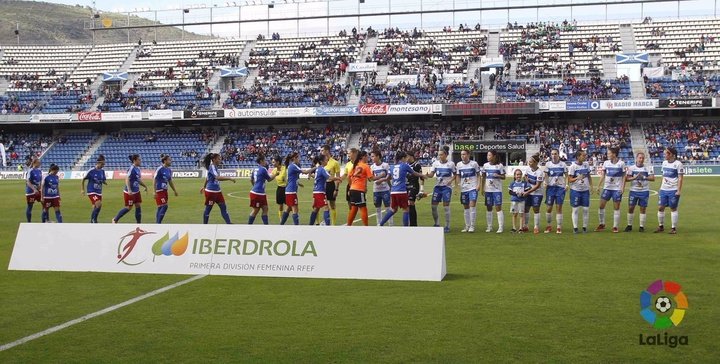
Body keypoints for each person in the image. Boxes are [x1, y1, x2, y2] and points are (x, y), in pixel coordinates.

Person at [379, 151, 425, 226]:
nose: (406, 159)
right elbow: (415, 173)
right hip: (402, 191)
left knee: (393, 209)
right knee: (406, 210)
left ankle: (381, 224)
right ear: (403, 158)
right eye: (405, 157)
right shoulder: (405, 166)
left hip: (393, 192)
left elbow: (387, 178)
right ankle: (405, 228)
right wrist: (423, 175)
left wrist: (381, 180)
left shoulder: (392, 166)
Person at [594, 146, 626, 233]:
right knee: (601, 206)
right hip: (607, 188)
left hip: (617, 189)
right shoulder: (606, 163)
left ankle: (615, 226)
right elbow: (603, 175)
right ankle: (602, 224)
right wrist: (598, 186)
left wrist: (622, 188)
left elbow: (624, 177)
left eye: (609, 153)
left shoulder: (621, 164)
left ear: (614, 154)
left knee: (616, 208)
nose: (607, 155)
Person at [281, 152, 317, 225]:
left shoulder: (290, 166)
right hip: (291, 191)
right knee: (295, 209)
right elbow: (306, 172)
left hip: (288, 191)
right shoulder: (293, 166)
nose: (299, 159)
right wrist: (316, 167)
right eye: (298, 158)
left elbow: (291, 179)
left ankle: (281, 225)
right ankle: (297, 226)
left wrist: (298, 184)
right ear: (294, 158)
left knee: (288, 208)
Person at [425, 146, 456, 233]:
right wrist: (427, 175)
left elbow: (455, 174)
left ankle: (447, 225)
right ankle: (437, 223)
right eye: (439, 155)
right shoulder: (435, 163)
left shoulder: (451, 164)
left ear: (446, 155)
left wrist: (451, 181)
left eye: (441, 155)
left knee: (446, 207)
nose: (440, 156)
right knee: (433, 206)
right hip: (437, 187)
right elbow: (431, 174)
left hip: (446, 188)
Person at [201, 153, 236, 224]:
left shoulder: (214, 167)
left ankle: (229, 223)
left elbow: (208, 178)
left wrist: (203, 186)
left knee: (223, 207)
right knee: (208, 209)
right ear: (214, 160)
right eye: (218, 159)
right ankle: (204, 225)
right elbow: (217, 178)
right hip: (211, 192)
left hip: (217, 192)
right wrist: (229, 178)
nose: (220, 160)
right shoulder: (212, 167)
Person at [656, 147, 684, 234]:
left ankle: (673, 228)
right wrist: (661, 186)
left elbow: (680, 178)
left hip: (673, 190)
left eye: (666, 153)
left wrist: (678, 190)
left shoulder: (678, 164)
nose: (664, 155)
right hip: (663, 189)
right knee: (660, 207)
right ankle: (661, 226)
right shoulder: (664, 163)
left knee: (673, 208)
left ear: (671, 154)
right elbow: (663, 176)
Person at [113, 154, 148, 224]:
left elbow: (138, 180)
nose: (140, 161)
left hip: (136, 191)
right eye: (139, 160)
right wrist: (129, 189)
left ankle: (138, 223)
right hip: (130, 192)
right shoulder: (131, 168)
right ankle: (115, 219)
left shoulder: (138, 169)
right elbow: (127, 179)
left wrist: (145, 186)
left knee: (138, 205)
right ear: (134, 161)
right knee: (129, 207)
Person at [625, 152, 655, 232]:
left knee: (643, 209)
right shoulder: (631, 168)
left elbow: (652, 178)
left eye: (642, 158)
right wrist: (634, 178)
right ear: (636, 158)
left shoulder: (648, 168)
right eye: (640, 158)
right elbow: (626, 179)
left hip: (644, 191)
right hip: (633, 191)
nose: (641, 160)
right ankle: (629, 225)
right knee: (631, 208)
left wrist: (644, 177)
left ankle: (641, 226)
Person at [310, 154, 341, 225]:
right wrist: (337, 178)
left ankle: (310, 225)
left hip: (316, 191)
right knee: (326, 208)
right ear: (322, 161)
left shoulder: (318, 169)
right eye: (326, 160)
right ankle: (328, 226)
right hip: (320, 191)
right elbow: (329, 177)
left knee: (316, 208)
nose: (327, 161)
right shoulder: (322, 169)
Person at [455, 149, 481, 232]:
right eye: (461, 154)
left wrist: (478, 185)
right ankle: (467, 225)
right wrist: (458, 185)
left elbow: (478, 175)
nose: (463, 156)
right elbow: (458, 176)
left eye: (464, 154)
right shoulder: (459, 165)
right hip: (464, 189)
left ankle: (472, 226)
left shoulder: (474, 164)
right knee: (466, 207)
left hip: (472, 188)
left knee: (472, 205)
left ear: (468, 155)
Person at [347, 150, 375, 226]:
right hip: (359, 190)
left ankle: (348, 225)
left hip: (353, 189)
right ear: (363, 157)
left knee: (354, 208)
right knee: (363, 208)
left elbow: (348, 177)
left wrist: (351, 186)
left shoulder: (355, 165)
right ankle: (366, 226)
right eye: (367, 156)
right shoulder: (365, 166)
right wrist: (382, 176)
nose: (368, 158)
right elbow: (371, 178)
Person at [568, 150, 593, 234]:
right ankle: (575, 227)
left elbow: (589, 176)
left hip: (585, 191)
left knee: (586, 209)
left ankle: (584, 227)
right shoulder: (572, 167)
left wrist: (591, 186)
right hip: (575, 191)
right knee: (575, 210)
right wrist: (577, 178)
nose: (585, 157)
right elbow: (569, 180)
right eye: (583, 155)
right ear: (578, 157)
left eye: (585, 155)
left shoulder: (586, 165)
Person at [249, 154, 278, 225]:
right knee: (256, 210)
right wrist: (275, 174)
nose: (266, 162)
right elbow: (269, 179)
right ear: (261, 161)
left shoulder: (255, 169)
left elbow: (251, 179)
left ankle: (266, 226)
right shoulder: (263, 169)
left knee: (265, 208)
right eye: (264, 160)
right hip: (258, 194)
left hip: (258, 192)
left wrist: (254, 185)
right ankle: (249, 226)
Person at [481, 150, 505, 233]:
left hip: (497, 190)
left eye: (489, 155)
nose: (488, 157)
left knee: (498, 207)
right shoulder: (485, 166)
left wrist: (498, 175)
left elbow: (504, 177)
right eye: (487, 155)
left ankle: (500, 227)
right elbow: (483, 177)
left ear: (494, 156)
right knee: (489, 208)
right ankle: (489, 226)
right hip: (488, 190)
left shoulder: (500, 166)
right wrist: (482, 188)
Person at [544, 149, 568, 234]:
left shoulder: (563, 164)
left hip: (560, 188)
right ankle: (549, 225)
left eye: (555, 154)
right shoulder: (548, 164)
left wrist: (567, 185)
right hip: (550, 188)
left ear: (558, 155)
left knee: (559, 208)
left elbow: (566, 175)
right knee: (549, 208)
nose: (553, 155)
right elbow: (546, 175)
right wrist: (545, 182)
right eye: (552, 154)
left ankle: (559, 227)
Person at [82, 155, 107, 223]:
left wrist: (104, 182)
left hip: (99, 191)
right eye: (102, 164)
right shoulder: (91, 171)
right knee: (99, 204)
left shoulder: (102, 171)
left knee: (95, 207)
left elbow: (103, 180)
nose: (103, 165)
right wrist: (82, 189)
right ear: (98, 163)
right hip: (91, 191)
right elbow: (84, 179)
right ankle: (94, 220)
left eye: (104, 164)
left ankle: (92, 221)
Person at [153, 155, 178, 224]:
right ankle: (158, 223)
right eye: (169, 160)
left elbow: (170, 181)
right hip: (159, 190)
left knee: (160, 207)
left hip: (165, 191)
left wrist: (174, 190)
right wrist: (154, 191)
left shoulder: (169, 170)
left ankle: (157, 223)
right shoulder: (160, 169)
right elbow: (154, 179)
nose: (171, 161)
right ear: (165, 161)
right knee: (164, 206)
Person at [523, 153, 544, 234]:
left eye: (531, 162)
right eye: (529, 162)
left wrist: (527, 192)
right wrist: (526, 179)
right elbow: (525, 176)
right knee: (526, 208)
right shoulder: (528, 169)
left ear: (535, 163)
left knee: (536, 209)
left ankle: (536, 226)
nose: (529, 163)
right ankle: (526, 225)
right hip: (529, 192)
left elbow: (538, 185)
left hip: (537, 193)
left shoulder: (540, 172)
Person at [370, 150, 392, 226]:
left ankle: (391, 224)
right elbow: (371, 178)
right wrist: (381, 176)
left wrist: (390, 186)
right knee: (377, 209)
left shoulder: (385, 165)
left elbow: (390, 177)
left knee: (388, 209)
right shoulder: (372, 167)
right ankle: (378, 224)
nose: (371, 158)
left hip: (385, 189)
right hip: (376, 190)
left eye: (373, 156)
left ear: (378, 156)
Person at [321, 145, 341, 225]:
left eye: (322, 150)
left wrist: (336, 189)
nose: (321, 152)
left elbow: (338, 177)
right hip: (322, 185)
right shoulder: (321, 162)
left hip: (330, 184)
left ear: (327, 151)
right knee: (324, 204)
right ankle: (325, 221)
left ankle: (334, 223)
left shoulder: (335, 163)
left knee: (332, 205)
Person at [406, 150, 424, 226]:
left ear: (410, 156)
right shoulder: (405, 165)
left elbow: (421, 177)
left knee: (411, 202)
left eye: (406, 156)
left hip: (414, 186)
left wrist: (421, 190)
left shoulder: (417, 165)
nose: (405, 158)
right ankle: (411, 223)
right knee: (408, 205)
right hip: (406, 186)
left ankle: (413, 224)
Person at [24, 157, 42, 222]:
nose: (40, 163)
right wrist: (34, 189)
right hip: (31, 192)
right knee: (30, 206)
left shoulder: (39, 171)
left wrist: (40, 188)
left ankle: (45, 220)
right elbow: (27, 182)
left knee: (44, 203)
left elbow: (39, 181)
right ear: (35, 163)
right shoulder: (30, 171)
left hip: (38, 190)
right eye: (38, 162)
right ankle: (29, 222)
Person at [272, 156, 287, 221]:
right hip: (280, 188)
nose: (272, 163)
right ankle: (281, 219)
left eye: (273, 162)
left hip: (286, 188)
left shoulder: (284, 168)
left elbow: (284, 177)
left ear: (278, 162)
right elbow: (270, 177)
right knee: (280, 205)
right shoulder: (274, 170)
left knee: (289, 205)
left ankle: (286, 217)